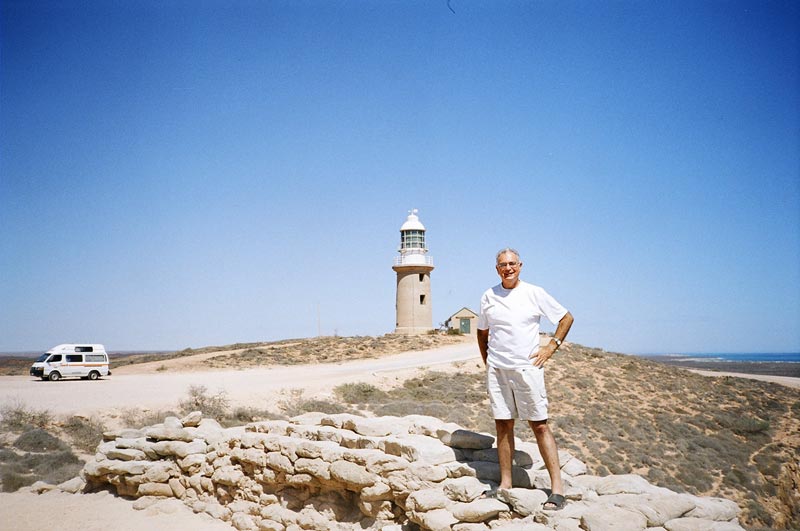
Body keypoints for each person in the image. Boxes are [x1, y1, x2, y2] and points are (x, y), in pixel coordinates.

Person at [476, 247, 574, 511]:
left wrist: (550, 347)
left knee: (539, 425)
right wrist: (489, 363)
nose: (508, 268)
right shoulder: (488, 296)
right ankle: (505, 485)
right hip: (498, 370)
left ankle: (557, 490)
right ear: (496, 268)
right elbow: (482, 333)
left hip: (527, 369)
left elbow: (566, 318)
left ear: (520, 266)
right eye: (502, 265)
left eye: (512, 264)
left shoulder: (534, 293)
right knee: (503, 426)